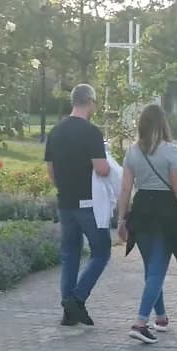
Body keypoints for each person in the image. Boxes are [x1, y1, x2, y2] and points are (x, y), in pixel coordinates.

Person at [117, 104, 177, 345]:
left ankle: (161, 318)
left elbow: (125, 189)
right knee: (157, 271)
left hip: (141, 211)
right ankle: (140, 322)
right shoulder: (170, 151)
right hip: (164, 212)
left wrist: (122, 219)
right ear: (162, 124)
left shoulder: (132, 152)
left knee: (151, 269)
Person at [44, 83, 111, 327]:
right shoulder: (91, 132)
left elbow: (50, 171)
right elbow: (102, 168)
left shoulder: (56, 131)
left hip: (65, 202)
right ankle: (77, 298)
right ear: (90, 102)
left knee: (70, 254)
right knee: (102, 251)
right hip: (88, 203)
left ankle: (68, 312)